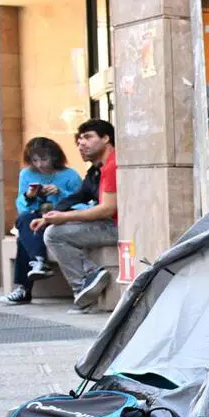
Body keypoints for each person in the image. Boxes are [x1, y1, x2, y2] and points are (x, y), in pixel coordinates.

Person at [32, 119, 119, 310]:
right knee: (50, 229)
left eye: (88, 137)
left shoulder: (113, 165)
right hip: (111, 224)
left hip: (120, 227)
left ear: (106, 138)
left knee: (54, 234)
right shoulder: (97, 170)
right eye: (79, 140)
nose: (81, 144)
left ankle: (85, 282)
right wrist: (46, 218)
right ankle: (88, 281)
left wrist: (64, 218)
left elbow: (108, 209)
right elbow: (77, 196)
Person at [0, 136, 84, 305]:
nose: (40, 165)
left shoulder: (70, 175)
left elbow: (83, 202)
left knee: (24, 237)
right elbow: (22, 206)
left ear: (54, 157)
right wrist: (29, 196)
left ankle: (25, 287)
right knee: (25, 222)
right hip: (37, 217)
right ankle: (38, 262)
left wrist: (60, 193)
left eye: (44, 159)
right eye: (35, 160)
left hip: (63, 217)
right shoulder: (27, 174)